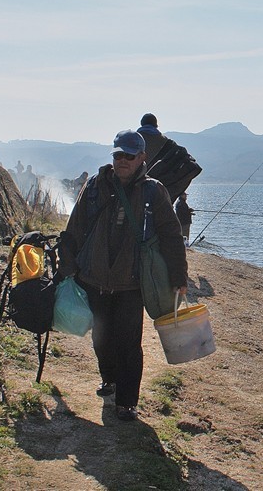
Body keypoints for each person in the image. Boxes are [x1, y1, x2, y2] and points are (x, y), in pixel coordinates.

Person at [58, 130, 188, 421]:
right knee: (101, 340)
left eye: (129, 155)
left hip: (132, 284)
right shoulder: (94, 186)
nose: (123, 160)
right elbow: (74, 229)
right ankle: (110, 380)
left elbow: (170, 235)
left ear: (142, 158)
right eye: (118, 155)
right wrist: (66, 269)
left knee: (129, 344)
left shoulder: (154, 191)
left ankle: (126, 402)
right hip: (94, 279)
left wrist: (179, 276)